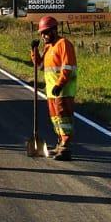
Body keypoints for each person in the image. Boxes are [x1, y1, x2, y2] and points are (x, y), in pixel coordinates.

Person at [30, 15, 77, 160]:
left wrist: (60, 84)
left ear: (54, 31)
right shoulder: (48, 47)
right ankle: (60, 143)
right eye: (42, 33)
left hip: (63, 90)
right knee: (56, 119)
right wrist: (34, 51)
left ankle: (65, 147)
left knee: (64, 118)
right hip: (51, 91)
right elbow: (40, 66)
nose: (43, 36)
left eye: (46, 32)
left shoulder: (64, 44)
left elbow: (67, 67)